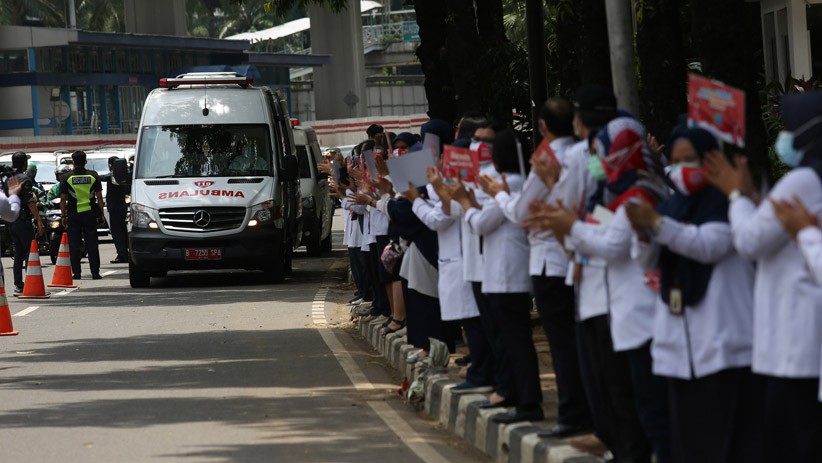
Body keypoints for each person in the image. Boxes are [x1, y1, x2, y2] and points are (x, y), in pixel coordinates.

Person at [529, 117, 673, 462]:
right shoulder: (612, 194)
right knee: (620, 395)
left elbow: (611, 246)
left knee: (640, 404)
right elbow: (589, 243)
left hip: (637, 312)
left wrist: (571, 226)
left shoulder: (640, 193)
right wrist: (566, 229)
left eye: (602, 152)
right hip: (616, 309)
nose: (598, 161)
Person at [626, 128, 763, 463]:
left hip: (724, 346)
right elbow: (647, 261)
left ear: (710, 160)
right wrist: (643, 234)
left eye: (691, 159)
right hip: (680, 350)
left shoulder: (726, 201)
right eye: (675, 160)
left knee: (728, 443)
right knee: (689, 443)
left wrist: (658, 225)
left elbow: (709, 245)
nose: (682, 167)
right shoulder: (671, 205)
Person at [704, 90, 822, 462]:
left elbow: (750, 240)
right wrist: (754, 200)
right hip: (801, 332)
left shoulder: (802, 180)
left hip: (794, 337)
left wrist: (736, 196)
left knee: (793, 440)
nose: (783, 136)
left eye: (789, 127)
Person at [493, 97, 594, 438]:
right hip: (579, 253)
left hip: (550, 260)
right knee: (580, 340)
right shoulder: (584, 154)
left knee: (562, 343)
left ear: (542, 127)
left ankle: (573, 413)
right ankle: (584, 409)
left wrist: (500, 194)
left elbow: (522, 214)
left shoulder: (546, 158)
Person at [453, 128, 544, 424]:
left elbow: (482, 223)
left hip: (507, 272)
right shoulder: (512, 182)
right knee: (509, 337)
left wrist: (466, 204)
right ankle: (515, 392)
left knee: (514, 339)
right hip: (503, 269)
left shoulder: (509, 183)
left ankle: (524, 398)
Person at [60, 150, 105, 280]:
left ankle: (77, 273)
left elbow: (63, 199)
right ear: (85, 161)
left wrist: (63, 216)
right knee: (92, 244)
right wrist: (101, 214)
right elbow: (99, 197)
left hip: (73, 215)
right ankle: (95, 273)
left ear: (73, 162)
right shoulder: (93, 175)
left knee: (74, 244)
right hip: (90, 214)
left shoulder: (66, 177)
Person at [8, 152, 45, 296]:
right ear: (24, 164)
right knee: (30, 252)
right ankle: (31, 284)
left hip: (11, 221)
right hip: (23, 221)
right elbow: (30, 201)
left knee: (18, 254)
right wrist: (39, 219)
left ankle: (19, 286)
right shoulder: (25, 180)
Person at [103, 156, 129, 263]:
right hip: (121, 207)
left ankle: (122, 254)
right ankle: (124, 253)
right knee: (122, 231)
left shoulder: (113, 175)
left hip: (115, 208)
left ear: (110, 165)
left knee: (117, 232)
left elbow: (103, 177)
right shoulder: (124, 175)